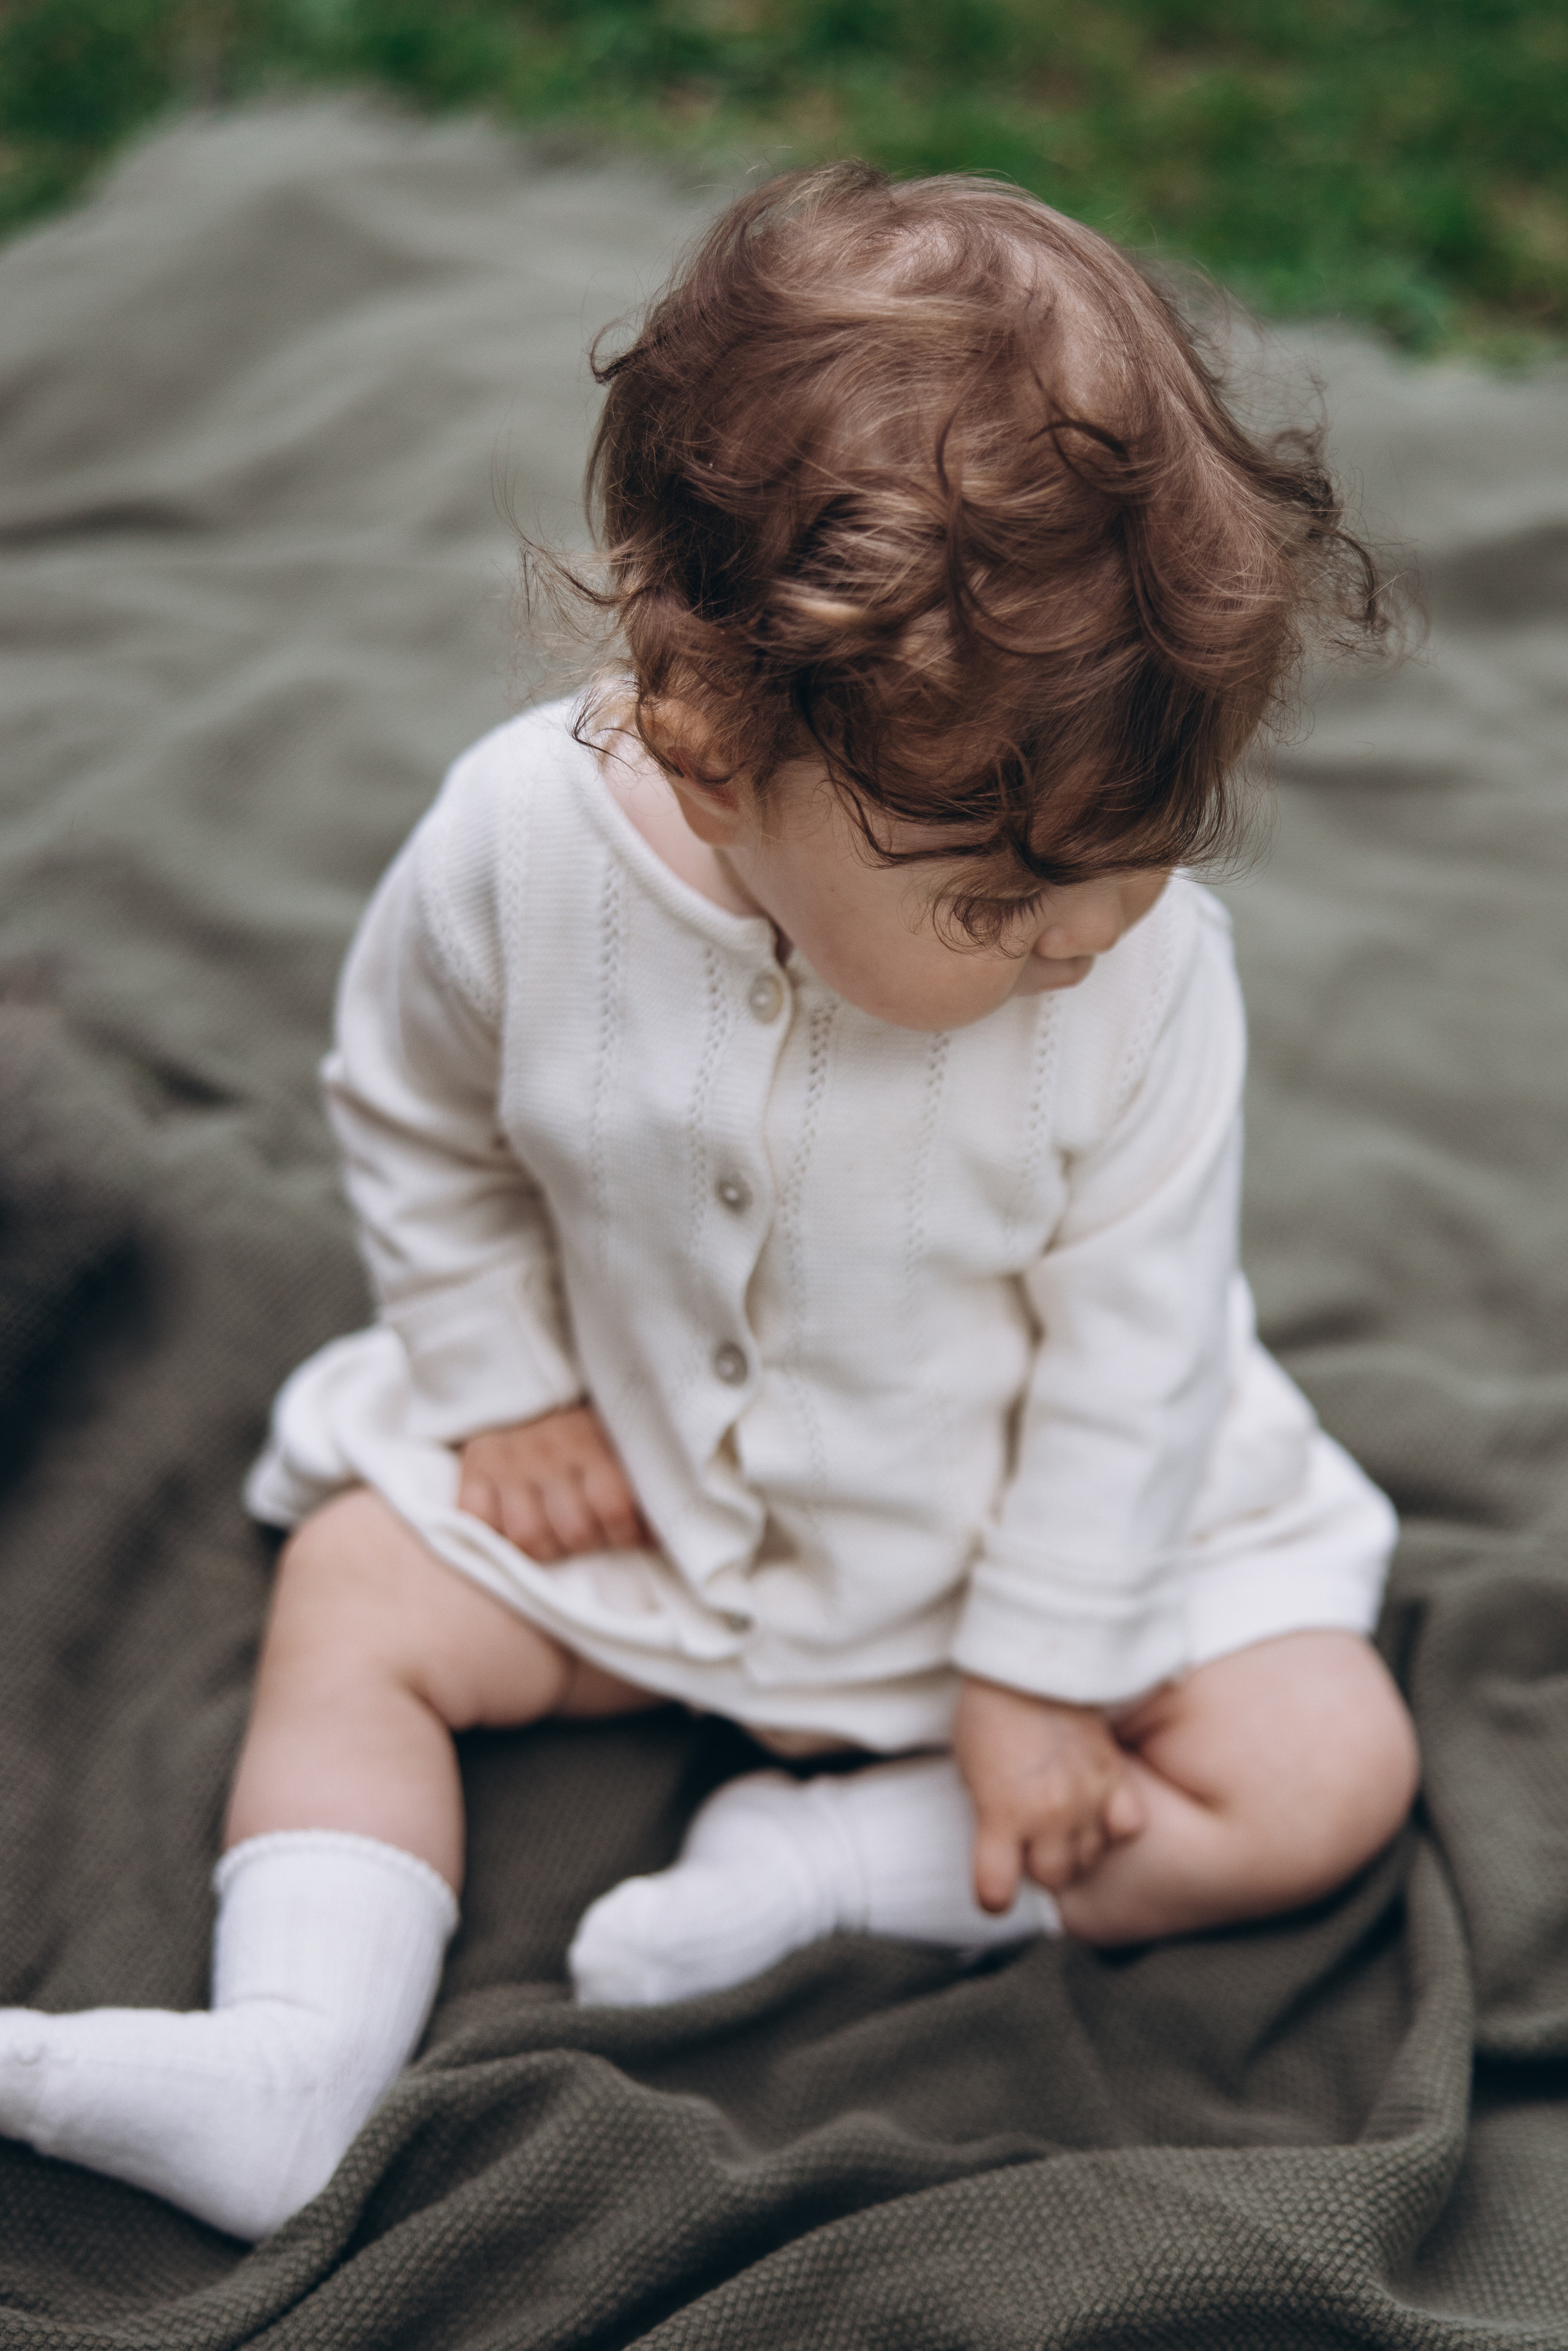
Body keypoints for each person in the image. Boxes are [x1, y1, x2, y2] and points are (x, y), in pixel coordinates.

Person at [0, 163, 1419, 2241]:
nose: (1096, 930)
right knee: (359, 1598)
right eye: (1007, 891)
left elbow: (1144, 1340)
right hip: (642, 1466)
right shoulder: (516, 852)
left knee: (1324, 1765)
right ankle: (289, 2058)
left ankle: (863, 1863)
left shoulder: (1137, 974)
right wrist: (500, 1384)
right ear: (710, 729)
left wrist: (1041, 1671)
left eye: (1153, 850)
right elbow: (410, 1110)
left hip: (1019, 1521)